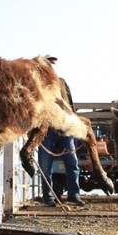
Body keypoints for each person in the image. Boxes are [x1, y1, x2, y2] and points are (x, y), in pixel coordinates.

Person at [36, 71, 85, 207]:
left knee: (72, 162)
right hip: (45, 129)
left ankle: (74, 195)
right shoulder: (37, 83)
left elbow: (68, 101)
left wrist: (73, 119)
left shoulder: (61, 82)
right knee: (45, 165)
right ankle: (48, 197)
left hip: (64, 127)